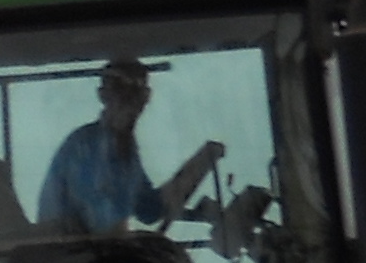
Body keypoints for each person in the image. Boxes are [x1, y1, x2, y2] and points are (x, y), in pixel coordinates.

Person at [35, 56, 224, 237]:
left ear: (146, 97)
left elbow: (150, 210)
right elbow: (107, 230)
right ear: (103, 96)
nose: (130, 101)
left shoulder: (126, 150)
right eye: (121, 91)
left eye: (138, 92)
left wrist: (201, 163)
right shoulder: (86, 147)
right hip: (70, 261)